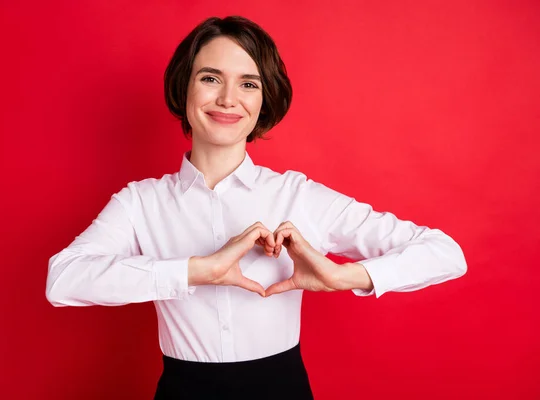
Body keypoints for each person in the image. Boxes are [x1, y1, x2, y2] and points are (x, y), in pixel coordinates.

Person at [45, 15, 467, 400]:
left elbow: (445, 253)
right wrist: (195, 269)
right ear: (184, 87)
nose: (229, 99)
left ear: (265, 100)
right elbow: (63, 279)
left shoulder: (299, 197)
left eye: (249, 83)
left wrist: (342, 276)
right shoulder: (140, 202)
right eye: (211, 78)